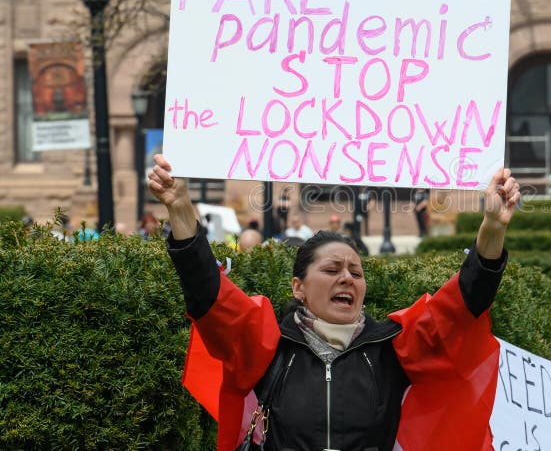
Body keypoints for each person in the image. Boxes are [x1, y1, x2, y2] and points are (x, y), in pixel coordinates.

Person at [148, 154, 519, 451]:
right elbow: (211, 299)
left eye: (356, 273)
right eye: (332, 269)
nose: (347, 278)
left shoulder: (392, 350)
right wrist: (180, 208)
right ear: (299, 288)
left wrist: (493, 229)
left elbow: (460, 308)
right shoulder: (268, 347)